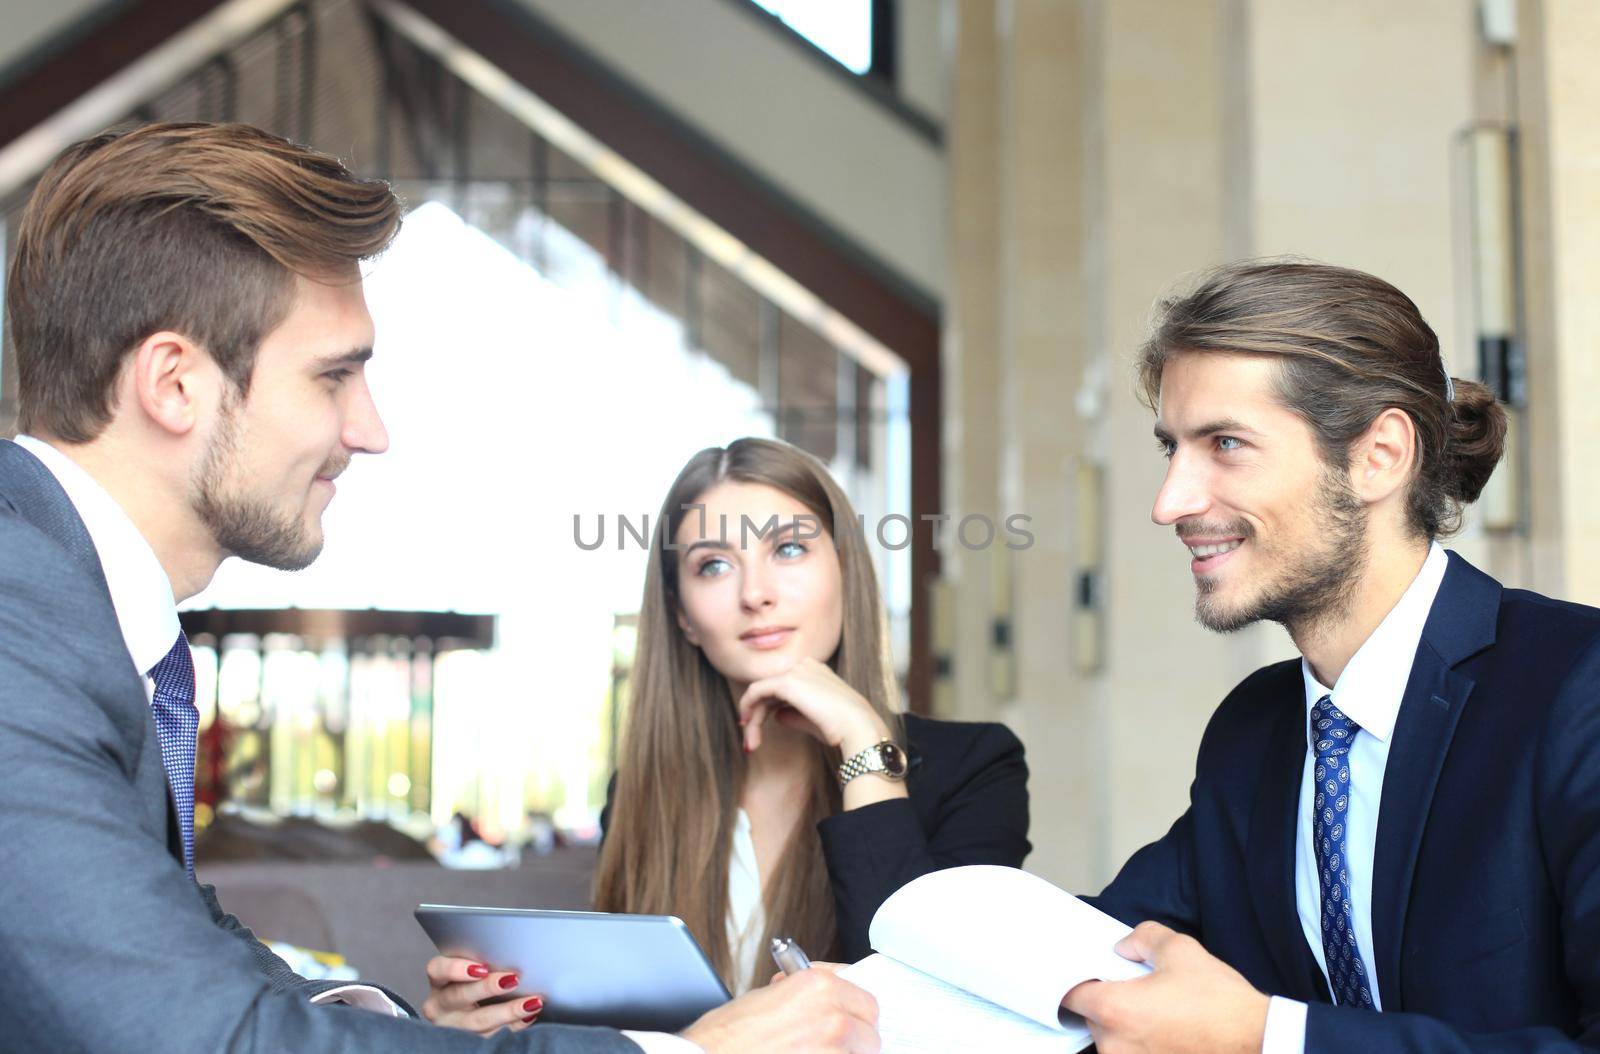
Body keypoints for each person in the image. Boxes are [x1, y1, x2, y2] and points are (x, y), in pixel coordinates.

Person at [0, 121, 879, 1053]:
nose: (371, 430)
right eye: (334, 376)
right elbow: (204, 1035)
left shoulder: (62, 606)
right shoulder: (21, 621)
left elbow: (184, 952)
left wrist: (406, 1029)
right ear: (175, 384)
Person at [1059, 261, 1600, 1052]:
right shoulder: (1255, 729)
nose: (1169, 502)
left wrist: (1269, 1037)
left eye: (1226, 444)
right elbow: (1079, 950)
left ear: (1379, 455)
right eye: (1172, 448)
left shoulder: (1577, 688)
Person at [424, 437, 1030, 1033]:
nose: (756, 594)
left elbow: (927, 1018)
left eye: (789, 550)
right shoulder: (643, 790)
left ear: (846, 572)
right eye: (714, 566)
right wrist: (500, 1033)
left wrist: (862, 740)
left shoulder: (976, 767)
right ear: (684, 616)